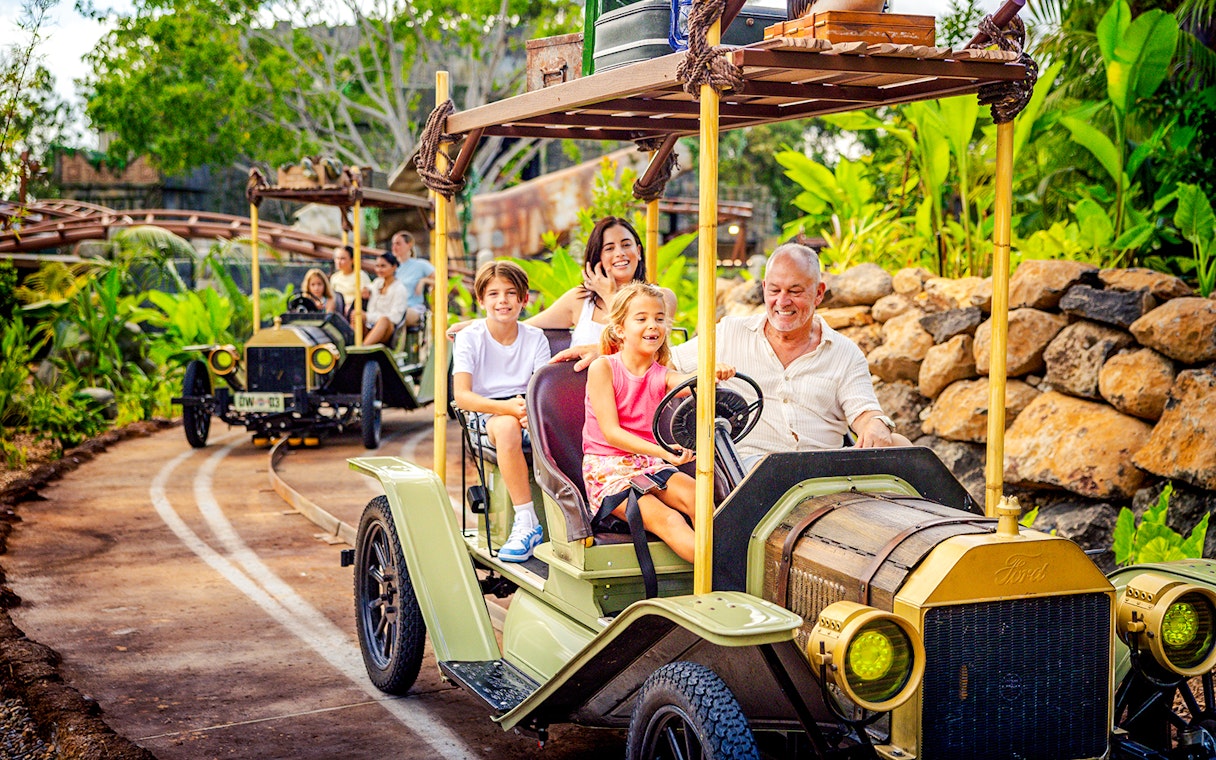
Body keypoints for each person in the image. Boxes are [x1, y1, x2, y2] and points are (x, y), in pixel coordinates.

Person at [669, 243, 909, 465]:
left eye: (795, 291)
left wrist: (876, 425)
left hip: (827, 469)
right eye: (774, 290)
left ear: (818, 293)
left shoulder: (844, 352)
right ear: (764, 288)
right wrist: (700, 379)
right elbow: (664, 364)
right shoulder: (730, 334)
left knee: (901, 446)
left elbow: (864, 411)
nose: (782, 302)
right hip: (753, 470)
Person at [582, 283, 735, 563]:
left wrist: (713, 374)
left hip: (649, 463)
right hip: (609, 467)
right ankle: (724, 574)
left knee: (699, 497)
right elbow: (612, 433)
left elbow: (692, 384)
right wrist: (664, 452)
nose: (652, 325)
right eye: (641, 319)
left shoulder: (663, 375)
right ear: (619, 328)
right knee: (669, 519)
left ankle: (730, 567)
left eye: (659, 319)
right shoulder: (603, 368)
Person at [447, 217, 677, 351]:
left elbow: (639, 351)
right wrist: (475, 325)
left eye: (626, 245)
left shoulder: (662, 298)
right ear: (597, 258)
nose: (620, 253)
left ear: (638, 250)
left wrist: (610, 295)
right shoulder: (581, 300)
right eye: (609, 248)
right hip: (582, 399)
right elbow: (527, 325)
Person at [452, 260, 553, 562]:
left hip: (527, 406)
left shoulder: (535, 338)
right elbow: (463, 396)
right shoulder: (471, 337)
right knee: (508, 426)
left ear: (523, 300)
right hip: (486, 411)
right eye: (493, 294)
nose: (502, 301)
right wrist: (507, 408)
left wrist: (528, 411)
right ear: (481, 300)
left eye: (510, 293)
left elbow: (541, 388)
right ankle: (526, 520)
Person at [363, 252, 409, 346]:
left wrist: (369, 317)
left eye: (383, 266)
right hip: (370, 326)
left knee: (384, 320)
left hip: (388, 331)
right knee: (356, 315)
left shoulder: (400, 289)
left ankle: (363, 347)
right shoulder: (377, 283)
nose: (379, 269)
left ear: (394, 267)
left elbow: (395, 318)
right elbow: (368, 288)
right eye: (377, 266)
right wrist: (365, 290)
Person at [391, 231, 435, 327]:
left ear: (409, 244)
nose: (394, 247)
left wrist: (423, 280)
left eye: (398, 243)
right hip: (392, 308)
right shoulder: (390, 267)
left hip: (412, 309)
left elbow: (441, 281)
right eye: (393, 244)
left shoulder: (420, 265)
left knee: (398, 315)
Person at [329, 245, 366, 314]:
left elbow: (364, 296)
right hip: (338, 309)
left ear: (352, 260)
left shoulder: (360, 275)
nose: (339, 262)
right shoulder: (334, 277)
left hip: (354, 310)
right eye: (337, 258)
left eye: (342, 259)